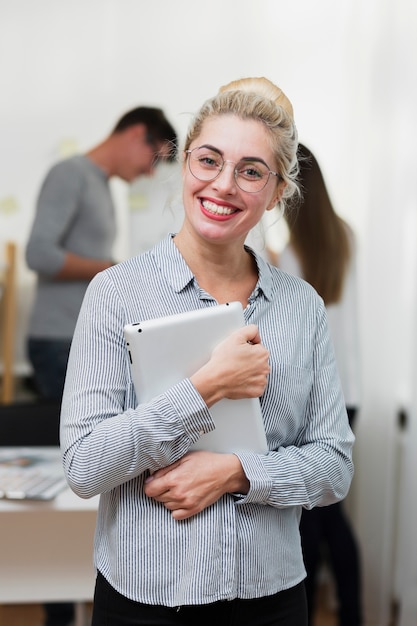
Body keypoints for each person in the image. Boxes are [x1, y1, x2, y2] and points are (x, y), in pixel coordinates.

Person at [60, 77, 355, 626]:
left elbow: (334, 465)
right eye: (209, 161)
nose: (223, 185)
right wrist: (207, 386)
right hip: (144, 601)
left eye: (250, 171)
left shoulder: (301, 307)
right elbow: (84, 466)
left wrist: (236, 472)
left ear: (277, 191)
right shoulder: (115, 294)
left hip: (271, 599)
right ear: (183, 164)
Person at [25, 106, 177, 626]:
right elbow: (39, 254)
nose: (151, 173)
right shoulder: (70, 175)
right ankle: (58, 608)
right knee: (72, 470)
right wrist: (113, 272)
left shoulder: (98, 184)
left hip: (78, 339)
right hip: (57, 339)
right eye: (153, 158)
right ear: (135, 134)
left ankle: (69, 597)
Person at [271, 143, 362, 626]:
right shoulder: (345, 236)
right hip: (352, 393)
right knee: (334, 519)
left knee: (310, 521)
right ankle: (353, 614)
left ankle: (301, 613)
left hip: (317, 396)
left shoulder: (289, 255)